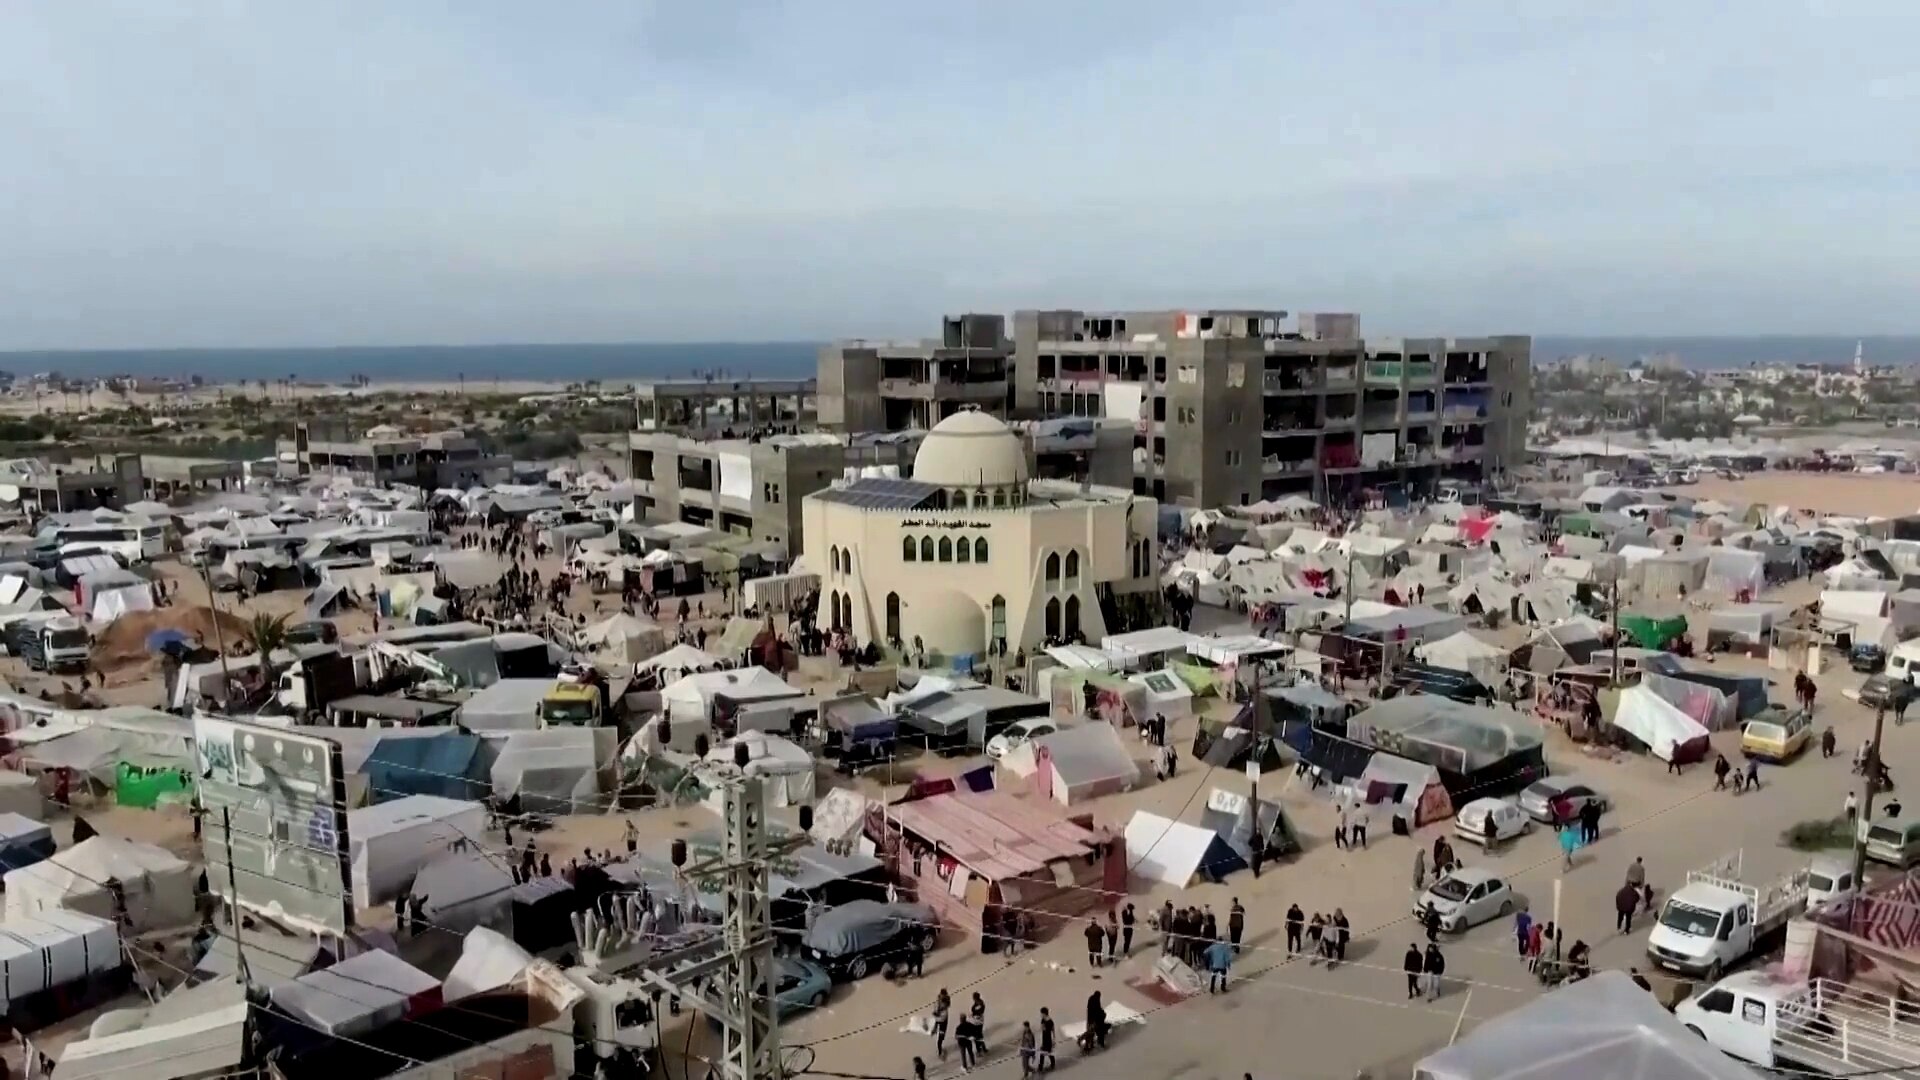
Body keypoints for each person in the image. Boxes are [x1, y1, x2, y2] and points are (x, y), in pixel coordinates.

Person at [932, 989, 951, 1060]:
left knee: (940, 1038)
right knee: (939, 1038)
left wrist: (936, 1013)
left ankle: (940, 1051)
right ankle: (940, 1051)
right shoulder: (939, 1000)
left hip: (942, 1021)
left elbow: (939, 1014)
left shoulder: (945, 1004)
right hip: (940, 1021)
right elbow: (936, 1010)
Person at [1038, 1007, 1056, 1072]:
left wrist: (1054, 1040)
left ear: (1044, 1013)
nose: (1041, 1015)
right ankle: (1052, 1064)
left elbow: (1053, 1030)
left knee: (1046, 1053)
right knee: (1046, 1053)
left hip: (1048, 1040)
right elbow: (1042, 1028)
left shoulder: (1050, 1022)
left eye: (1041, 1013)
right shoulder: (1043, 1020)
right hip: (1044, 1039)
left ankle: (1041, 1067)